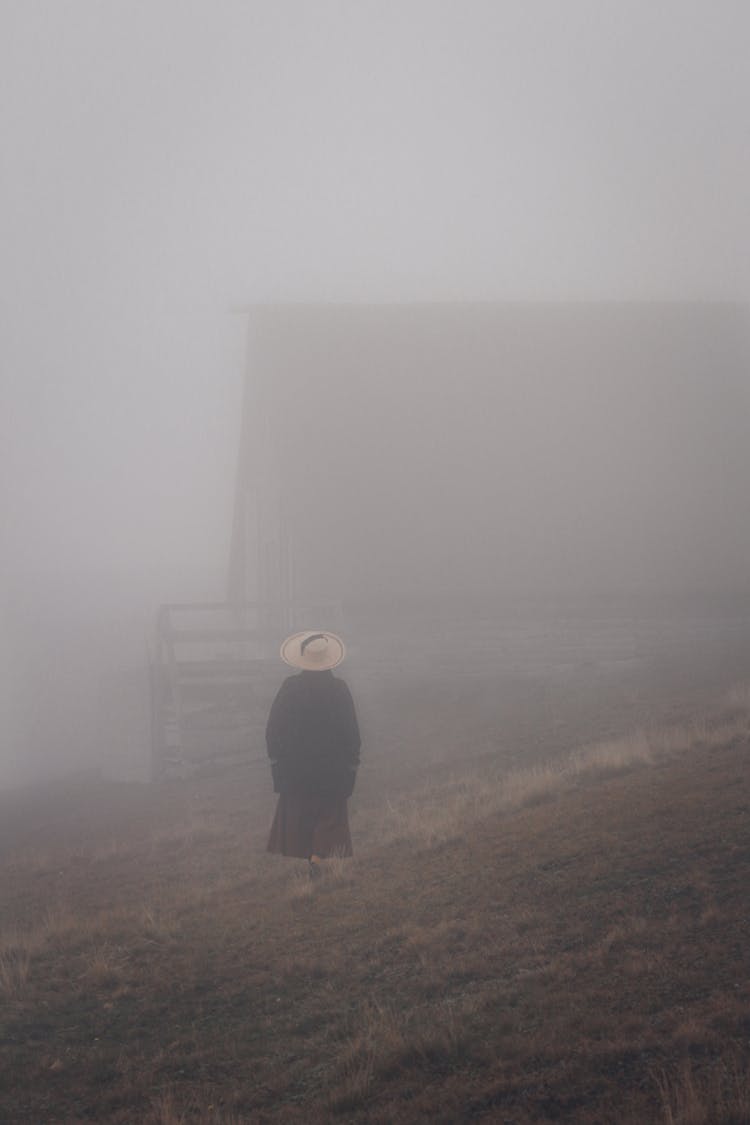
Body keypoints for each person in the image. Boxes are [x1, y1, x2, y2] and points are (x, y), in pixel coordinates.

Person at [265, 630, 361, 875]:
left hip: (295, 769)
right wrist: (352, 763)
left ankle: (312, 856)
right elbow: (351, 730)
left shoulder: (290, 688)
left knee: (301, 814)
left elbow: (273, 727)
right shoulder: (339, 689)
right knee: (328, 815)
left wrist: (276, 759)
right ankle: (317, 857)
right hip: (332, 769)